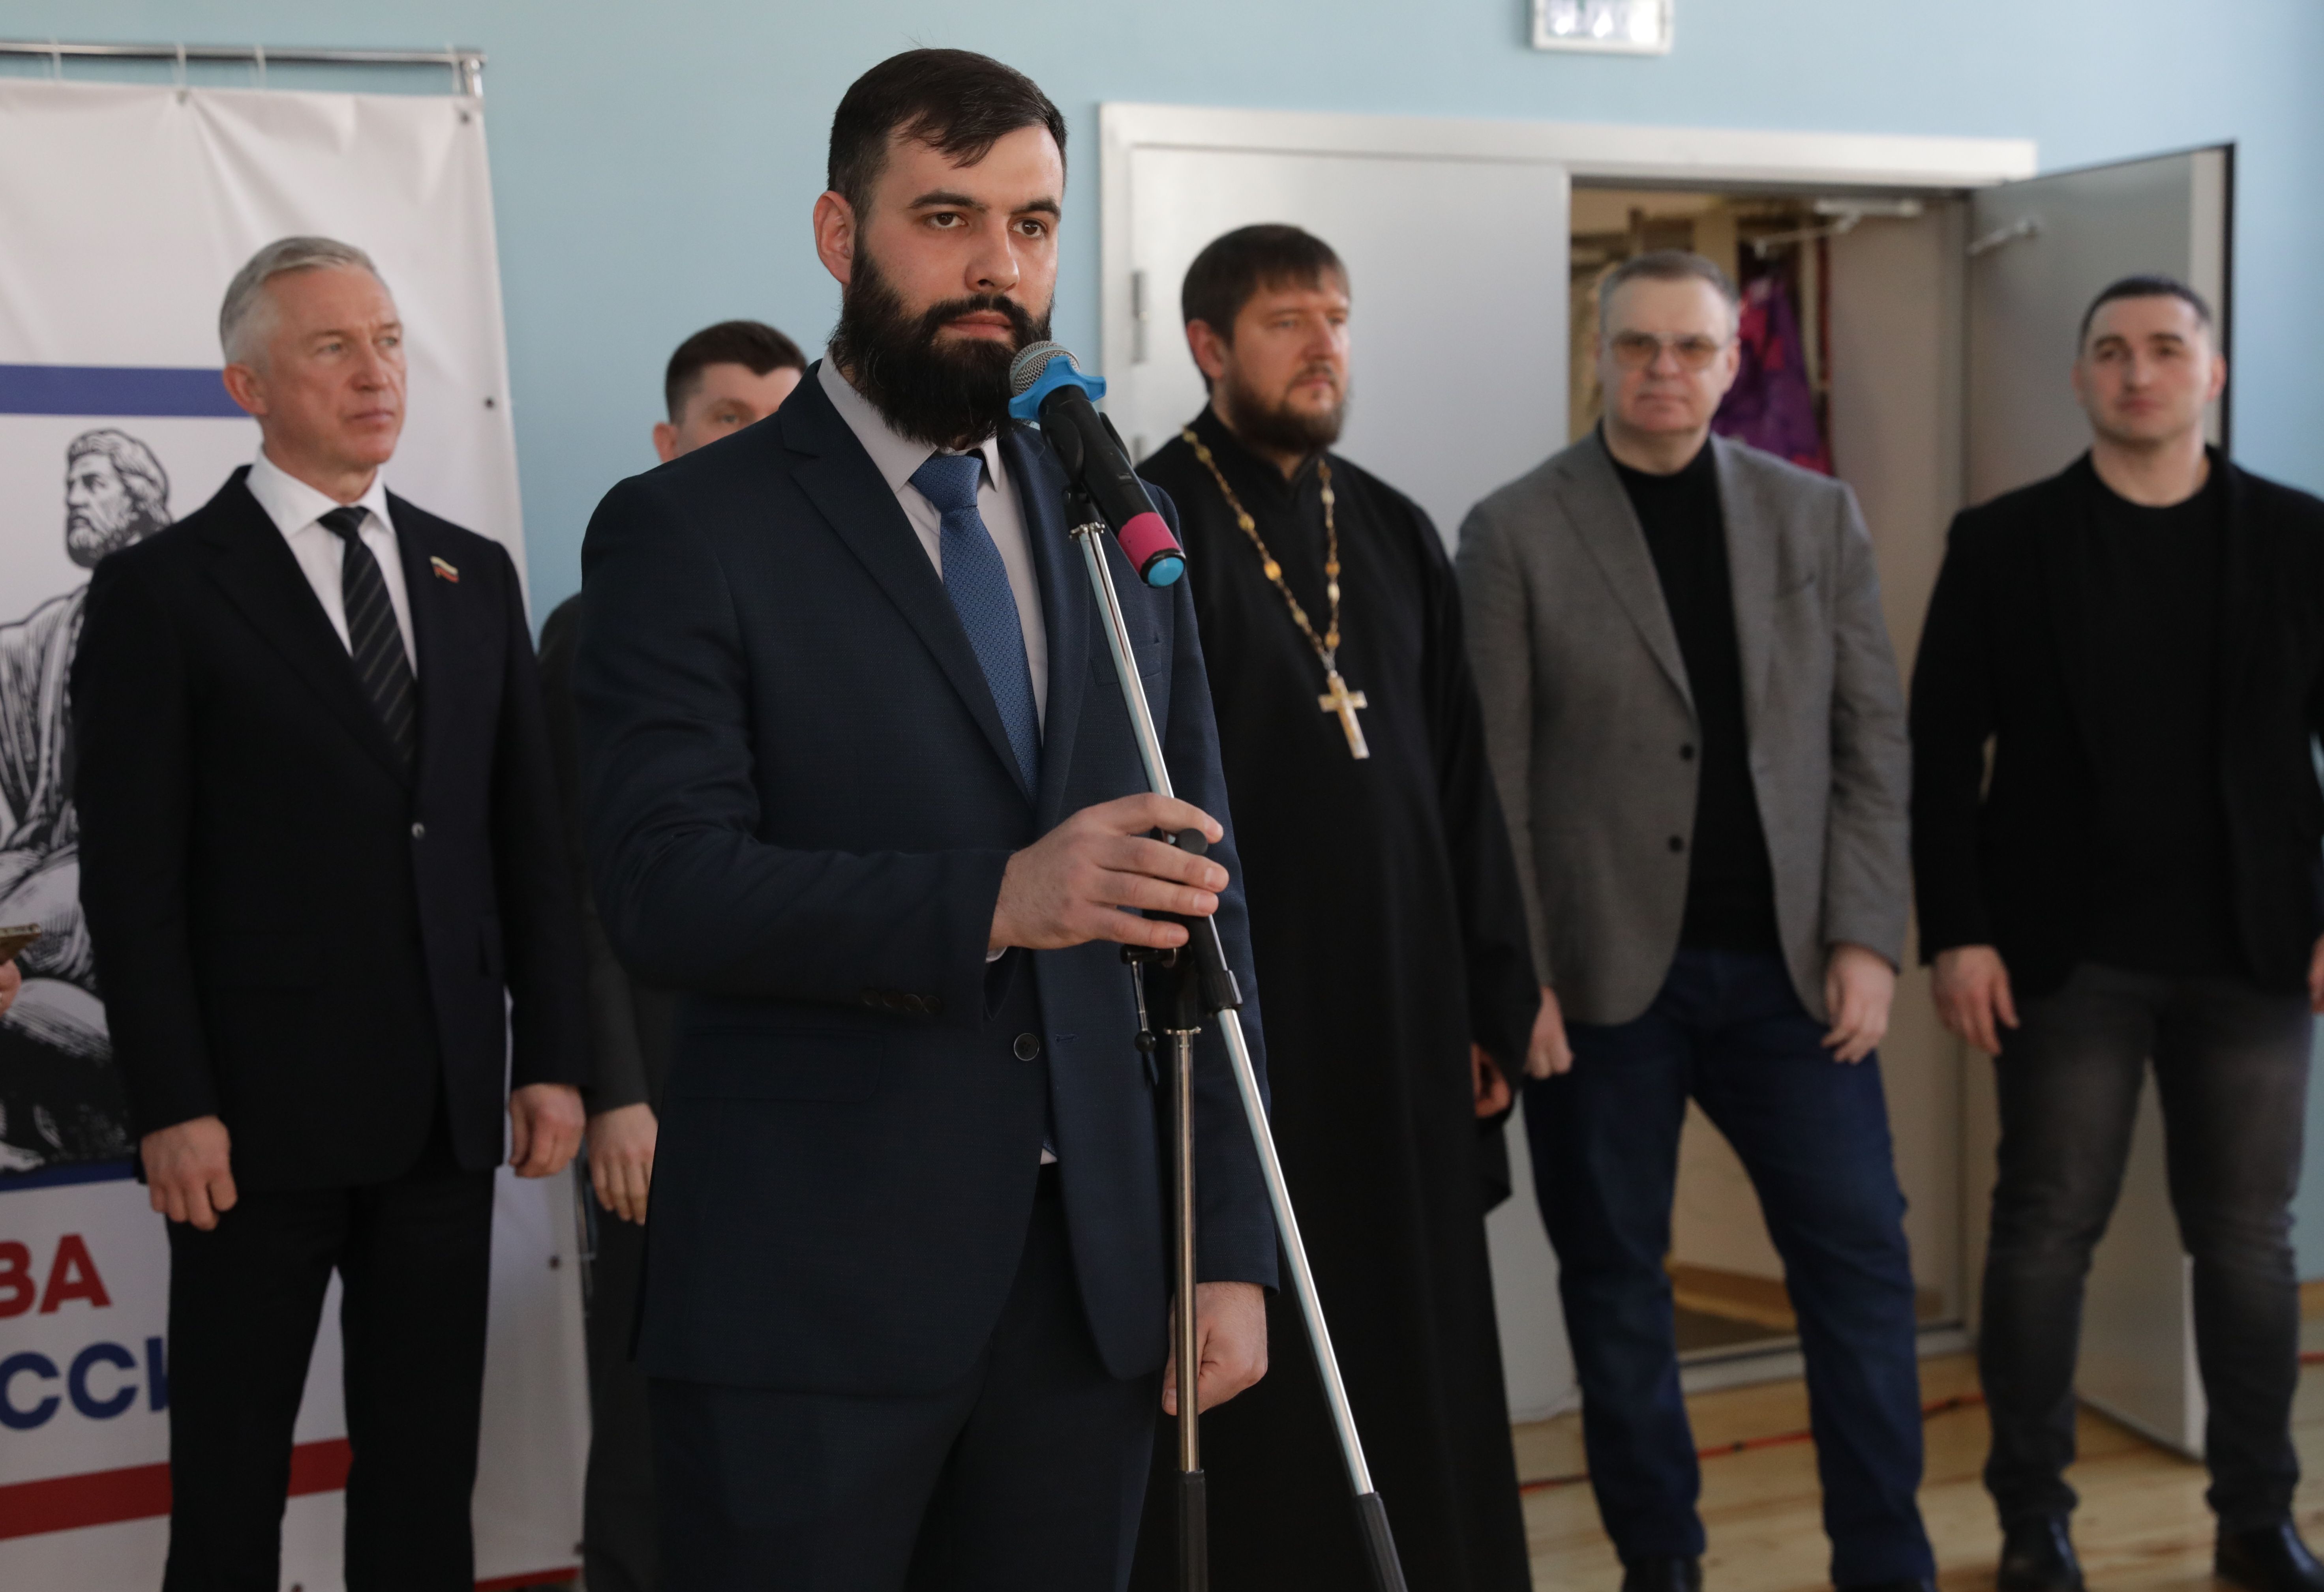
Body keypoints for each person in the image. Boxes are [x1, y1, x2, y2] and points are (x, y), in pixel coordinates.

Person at [572, 51, 1276, 1590]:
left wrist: (1225, 1242)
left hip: (1092, 1289)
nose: (996, 267)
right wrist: (999, 898)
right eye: (946, 218)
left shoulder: (1111, 516)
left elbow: (1201, 901)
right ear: (841, 236)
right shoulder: (687, 529)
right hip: (807, 1304)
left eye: (1032, 224)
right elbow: (662, 884)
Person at [71, 235, 587, 1591]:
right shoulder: (161, 591)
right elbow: (132, 881)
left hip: (441, 1118)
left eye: (390, 341)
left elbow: (529, 844)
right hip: (248, 1132)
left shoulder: (472, 572)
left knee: (424, 1476)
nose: (377, 373)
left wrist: (551, 1055)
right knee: (229, 1483)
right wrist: (174, 1102)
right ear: (248, 385)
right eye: (333, 347)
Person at [1459, 249, 1931, 1592]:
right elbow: (1488, 777)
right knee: (1616, 1283)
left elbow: (1870, 739)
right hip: (1600, 982)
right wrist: (1520, 977)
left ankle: (1884, 1561)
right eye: (1636, 346)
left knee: (1860, 1264)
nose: (1662, 369)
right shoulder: (1513, 529)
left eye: (1691, 347)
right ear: (1598, 355)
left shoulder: (1813, 515)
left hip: (1794, 974)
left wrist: (1865, 937)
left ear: (1732, 363)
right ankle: (1658, 1558)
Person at [1125, 224, 1544, 1592]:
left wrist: (1491, 994)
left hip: (1409, 1009)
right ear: (1208, 346)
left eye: (1338, 319)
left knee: (1419, 1323)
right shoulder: (1149, 528)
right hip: (1260, 1018)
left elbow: (1464, 783)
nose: (1323, 348)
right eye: (1287, 322)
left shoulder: (1391, 525)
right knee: (1289, 1337)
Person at [1911, 274, 2324, 1592]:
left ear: (2211, 373)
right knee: (2043, 1233)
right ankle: (2032, 1521)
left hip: (2254, 951)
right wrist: (1956, 931)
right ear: (2080, 376)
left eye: (2163, 349)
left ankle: (2255, 1519)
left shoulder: (2301, 537)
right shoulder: (2003, 542)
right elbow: (1938, 752)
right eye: (2110, 351)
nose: (2137, 372)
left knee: (2248, 1243)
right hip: (2060, 954)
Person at [537, 315, 808, 1592]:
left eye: (780, 422)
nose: (755, 445)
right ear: (669, 439)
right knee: (651, 1396)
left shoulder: (838, 613)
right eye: (727, 420)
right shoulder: (595, 623)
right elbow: (578, 880)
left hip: (811, 1079)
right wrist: (618, 1087)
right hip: (661, 1085)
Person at [0, 428, 172, 1169]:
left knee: (8, 930)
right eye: (72, 484)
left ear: (141, 499)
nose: (75, 498)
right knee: (26, 985)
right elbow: (14, 650)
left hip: (130, 860)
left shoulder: (183, 595)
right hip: (59, 853)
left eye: (94, 483)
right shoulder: (71, 615)